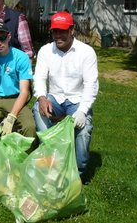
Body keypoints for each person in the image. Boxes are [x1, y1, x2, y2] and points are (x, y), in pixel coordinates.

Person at [32, 11, 98, 177]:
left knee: (83, 132)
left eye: (62, 31)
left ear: (72, 30)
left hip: (77, 101)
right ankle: (52, 158)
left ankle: (78, 174)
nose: (58, 35)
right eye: (55, 31)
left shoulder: (86, 52)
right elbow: (39, 77)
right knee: (37, 109)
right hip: (55, 99)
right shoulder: (46, 51)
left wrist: (82, 111)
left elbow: (91, 84)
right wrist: (41, 98)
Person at [0, 21, 37, 161]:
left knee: (29, 126)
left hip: (16, 98)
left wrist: (12, 116)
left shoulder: (21, 57)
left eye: (2, 38)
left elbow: (24, 92)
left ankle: (25, 164)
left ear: (9, 36)